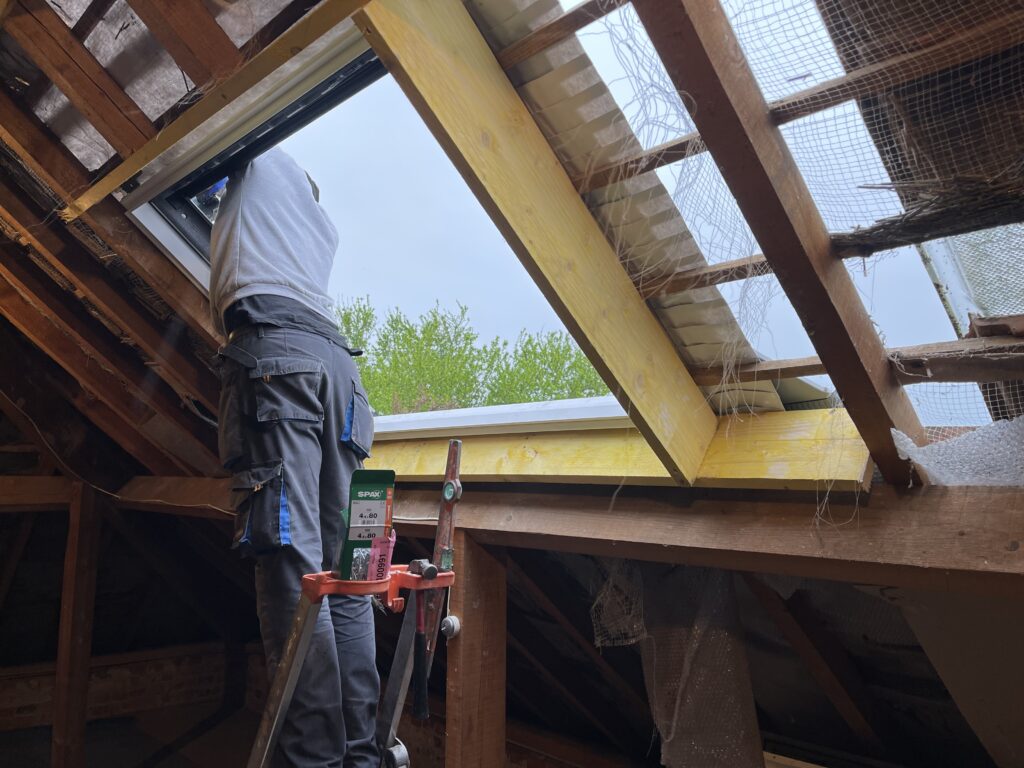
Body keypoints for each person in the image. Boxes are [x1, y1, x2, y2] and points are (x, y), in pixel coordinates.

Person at [209, 147, 378, 767]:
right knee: (349, 581)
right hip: (341, 375)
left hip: (279, 362)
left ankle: (313, 762)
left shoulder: (246, 146)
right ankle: (359, 757)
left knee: (295, 570)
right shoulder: (310, 219)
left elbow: (177, 154)